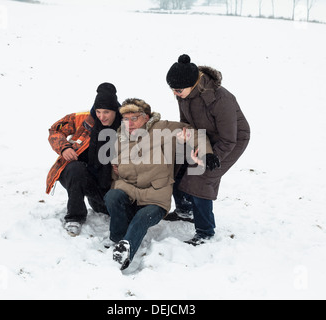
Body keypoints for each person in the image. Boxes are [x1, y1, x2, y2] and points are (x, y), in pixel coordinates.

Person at [104, 98, 214, 270]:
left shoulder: (163, 128)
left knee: (142, 218)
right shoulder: (120, 139)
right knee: (112, 196)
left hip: (156, 197)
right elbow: (115, 173)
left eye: (134, 118)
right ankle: (118, 239)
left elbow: (193, 132)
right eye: (126, 119)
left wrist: (205, 153)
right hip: (130, 193)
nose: (129, 123)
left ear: (146, 118)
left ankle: (126, 248)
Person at [165, 54, 251, 246]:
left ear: (192, 84)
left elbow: (229, 138)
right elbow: (186, 122)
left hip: (232, 140)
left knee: (200, 177)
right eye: (172, 90)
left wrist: (212, 157)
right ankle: (184, 210)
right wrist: (185, 135)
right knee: (177, 166)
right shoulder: (183, 94)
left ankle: (205, 231)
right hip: (204, 135)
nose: (174, 94)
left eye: (178, 90)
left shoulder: (221, 99)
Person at [46, 83, 122, 236]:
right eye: (98, 112)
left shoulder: (126, 124)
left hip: (110, 182)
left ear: (115, 110)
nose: (102, 116)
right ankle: (75, 217)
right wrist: (64, 147)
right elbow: (55, 130)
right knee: (76, 168)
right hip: (83, 176)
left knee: (111, 210)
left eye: (106, 112)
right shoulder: (84, 118)